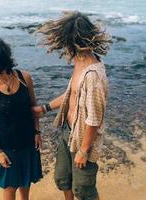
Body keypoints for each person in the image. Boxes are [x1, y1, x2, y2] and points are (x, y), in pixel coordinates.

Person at [33, 11, 111, 200]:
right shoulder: (80, 63)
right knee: (62, 179)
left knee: (84, 191)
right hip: (67, 131)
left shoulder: (92, 76)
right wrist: (44, 108)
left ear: (72, 42)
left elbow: (94, 120)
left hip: (84, 138)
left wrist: (84, 151)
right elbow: (71, 95)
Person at [0, 37, 42, 200]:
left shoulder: (24, 77)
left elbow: (33, 107)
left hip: (28, 140)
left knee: (25, 182)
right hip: (6, 145)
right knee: (10, 187)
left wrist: (37, 131)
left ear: (1, 55)